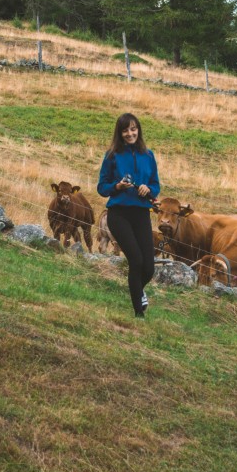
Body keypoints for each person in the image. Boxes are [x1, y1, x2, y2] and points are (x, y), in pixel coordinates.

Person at [97, 113, 161, 318]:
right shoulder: (112, 156)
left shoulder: (148, 155)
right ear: (120, 133)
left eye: (133, 129)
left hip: (141, 213)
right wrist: (117, 186)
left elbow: (156, 185)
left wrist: (147, 190)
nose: (130, 133)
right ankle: (138, 314)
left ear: (138, 130)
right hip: (118, 214)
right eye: (125, 130)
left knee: (149, 267)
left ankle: (137, 290)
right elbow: (102, 187)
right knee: (136, 260)